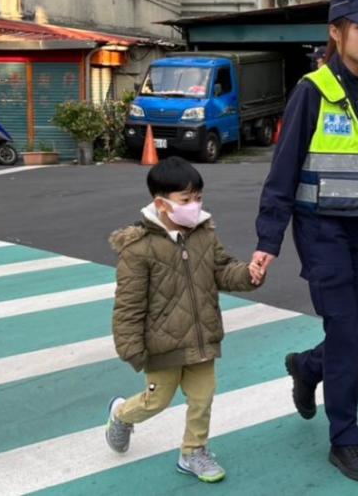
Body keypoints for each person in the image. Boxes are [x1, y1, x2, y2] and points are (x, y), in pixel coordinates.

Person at [250, 0, 358, 484]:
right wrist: (268, 242)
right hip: (320, 228)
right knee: (346, 332)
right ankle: (344, 439)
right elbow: (282, 173)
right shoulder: (313, 90)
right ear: (336, 32)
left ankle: (307, 367)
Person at [105, 157, 261, 483]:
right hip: (161, 344)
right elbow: (128, 304)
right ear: (161, 204)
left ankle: (193, 452)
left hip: (202, 337)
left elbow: (222, 270)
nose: (195, 206)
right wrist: (131, 347)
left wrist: (248, 274)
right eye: (186, 200)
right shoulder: (139, 248)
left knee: (203, 397)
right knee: (156, 400)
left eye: (198, 198)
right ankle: (121, 415)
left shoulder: (204, 234)